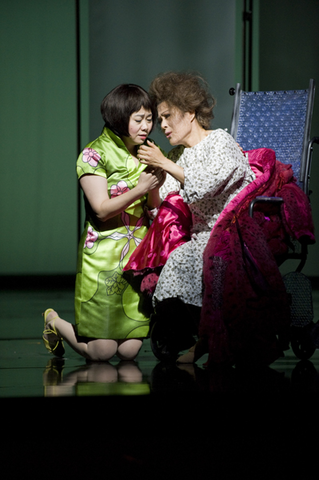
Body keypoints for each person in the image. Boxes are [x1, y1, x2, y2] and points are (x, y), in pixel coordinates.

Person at [124, 72, 256, 363]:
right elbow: (165, 209)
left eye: (168, 116)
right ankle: (195, 335)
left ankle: (208, 341)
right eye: (160, 120)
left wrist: (164, 163)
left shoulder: (220, 141)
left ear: (191, 112)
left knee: (198, 259)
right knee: (176, 266)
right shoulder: (179, 157)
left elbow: (208, 184)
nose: (163, 125)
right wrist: (154, 183)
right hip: (199, 238)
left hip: (231, 232)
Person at [42, 84, 165, 362]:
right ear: (120, 118)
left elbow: (153, 207)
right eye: (138, 119)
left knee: (130, 350)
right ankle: (54, 322)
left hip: (136, 253)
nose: (146, 126)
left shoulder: (148, 151)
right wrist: (139, 188)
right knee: (102, 352)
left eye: (149, 119)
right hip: (103, 254)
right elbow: (100, 210)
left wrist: (155, 184)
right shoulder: (93, 154)